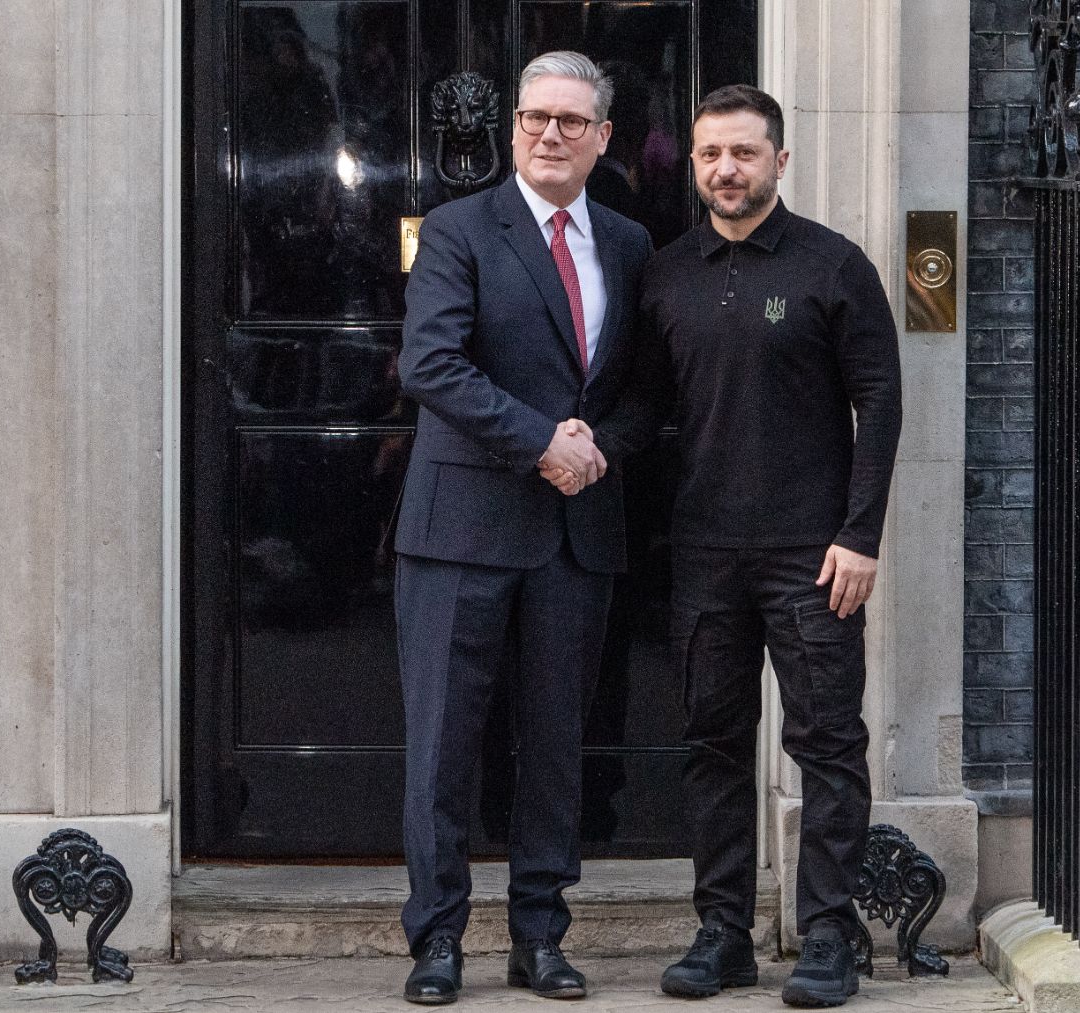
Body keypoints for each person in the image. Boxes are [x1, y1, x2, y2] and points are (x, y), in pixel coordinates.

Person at [595, 84, 902, 1008]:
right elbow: (647, 403)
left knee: (828, 743)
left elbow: (880, 403)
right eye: (709, 155)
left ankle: (828, 934)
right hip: (703, 552)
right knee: (715, 744)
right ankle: (723, 930)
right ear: (691, 163)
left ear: (778, 160)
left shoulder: (833, 265)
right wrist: (590, 449)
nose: (726, 169)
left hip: (814, 557)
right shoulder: (667, 271)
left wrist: (860, 536)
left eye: (744, 153)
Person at [393, 50, 654, 1005]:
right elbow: (432, 366)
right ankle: (437, 938)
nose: (551, 134)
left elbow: (641, 394)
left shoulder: (628, 244)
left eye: (571, 122)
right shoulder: (459, 229)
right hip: (460, 527)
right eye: (536, 118)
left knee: (556, 746)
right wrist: (543, 441)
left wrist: (596, 449)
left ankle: (541, 936)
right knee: (443, 747)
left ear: (602, 137)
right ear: (512, 128)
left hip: (576, 535)